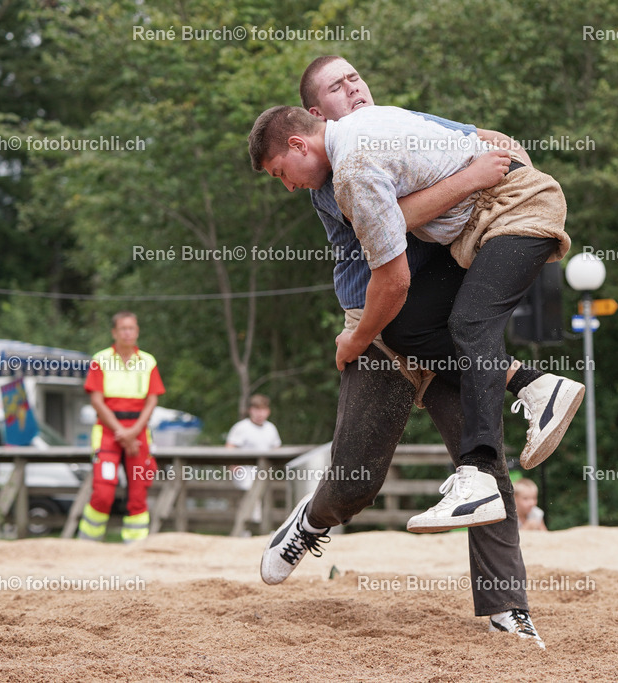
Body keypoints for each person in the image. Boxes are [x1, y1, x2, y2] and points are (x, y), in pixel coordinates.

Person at [255, 56, 547, 647]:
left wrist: (495, 159)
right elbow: (392, 246)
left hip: (441, 326)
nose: (354, 88)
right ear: (315, 120)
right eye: (338, 87)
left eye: (355, 77)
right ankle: (310, 522)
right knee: (356, 481)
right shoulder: (339, 173)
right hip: (381, 328)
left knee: (483, 464)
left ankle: (505, 606)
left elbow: (483, 142)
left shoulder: (399, 124)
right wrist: (470, 177)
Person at [249, 101, 585, 534]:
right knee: (409, 327)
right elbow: (466, 136)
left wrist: (355, 339)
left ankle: (478, 474)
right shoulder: (359, 123)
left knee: (468, 324)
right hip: (475, 229)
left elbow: (394, 281)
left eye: (281, 174)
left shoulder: (351, 171)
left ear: (298, 144)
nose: (289, 187)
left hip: (515, 209)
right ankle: (535, 385)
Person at [78, 312, 165, 543]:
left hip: (139, 433)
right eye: (123, 328)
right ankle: (87, 543)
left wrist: (133, 432)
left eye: (132, 328)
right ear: (114, 332)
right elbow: (96, 400)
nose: (128, 333)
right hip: (108, 432)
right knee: (103, 492)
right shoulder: (100, 359)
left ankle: (136, 546)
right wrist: (122, 433)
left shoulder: (148, 361)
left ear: (137, 331)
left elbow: (152, 400)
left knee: (139, 491)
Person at [225, 394, 281, 528]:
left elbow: (277, 449)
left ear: (268, 411)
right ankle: (249, 526)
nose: (259, 413)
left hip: (264, 473)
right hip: (245, 473)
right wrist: (234, 468)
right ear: (250, 410)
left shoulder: (270, 428)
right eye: (256, 409)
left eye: (262, 410)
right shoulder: (241, 427)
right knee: (252, 490)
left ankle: (258, 526)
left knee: (264, 493)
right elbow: (229, 449)